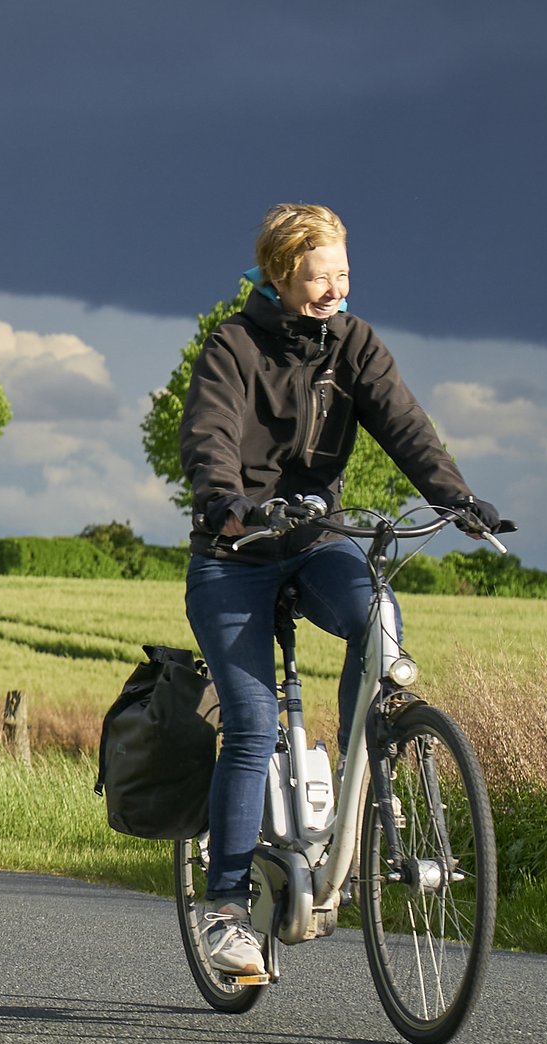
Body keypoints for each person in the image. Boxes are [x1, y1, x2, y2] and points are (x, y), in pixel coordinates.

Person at [178, 203, 503, 974]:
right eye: (317, 275)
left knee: (379, 617)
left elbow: (403, 421)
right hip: (236, 552)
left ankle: (368, 762)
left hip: (316, 541)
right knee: (253, 722)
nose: (332, 289)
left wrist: (455, 497)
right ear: (280, 273)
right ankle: (224, 905)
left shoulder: (352, 344)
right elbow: (209, 434)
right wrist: (226, 501)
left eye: (343, 274)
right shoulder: (232, 344)